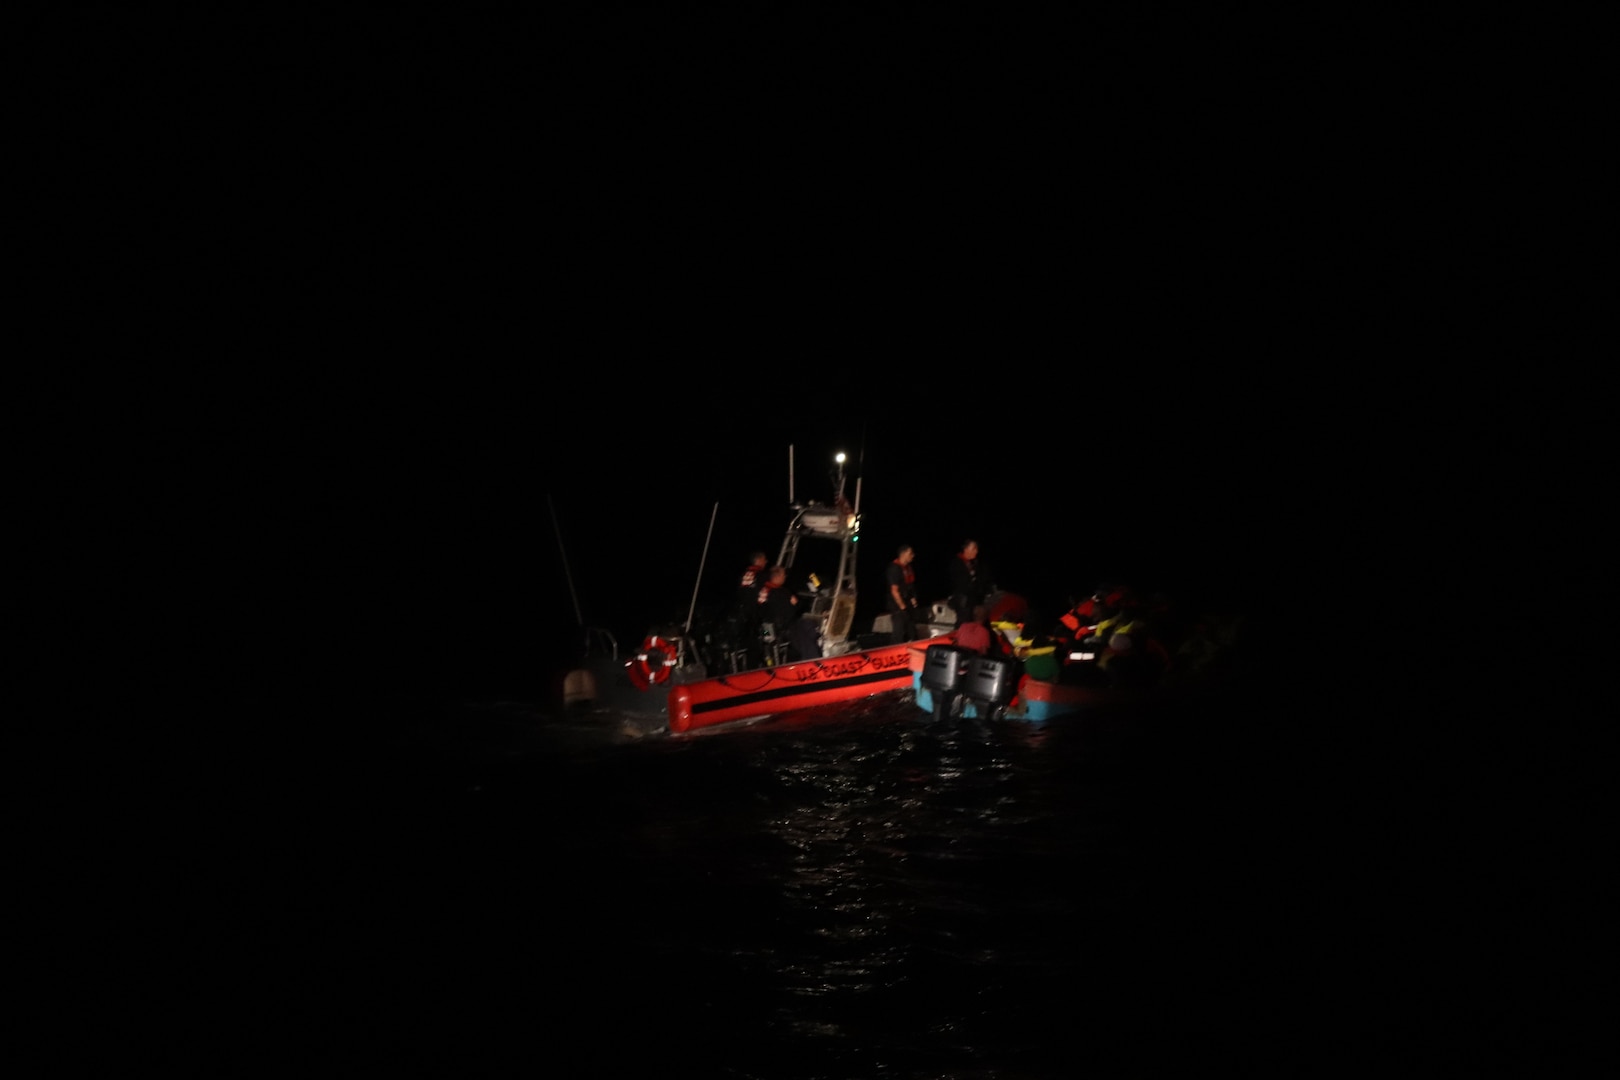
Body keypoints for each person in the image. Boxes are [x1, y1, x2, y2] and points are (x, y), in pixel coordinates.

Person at [757, 565, 799, 664]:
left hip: (764, 628)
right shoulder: (782, 592)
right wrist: (795, 604)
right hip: (778, 629)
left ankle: (768, 661)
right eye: (784, 575)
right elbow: (791, 610)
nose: (785, 577)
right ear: (778, 576)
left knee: (767, 640)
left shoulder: (763, 590)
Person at [947, 538, 991, 627]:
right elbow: (960, 584)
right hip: (963, 602)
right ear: (966, 549)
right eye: (974, 548)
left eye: (977, 549)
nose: (976, 551)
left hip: (974, 601)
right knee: (963, 624)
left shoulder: (975, 563)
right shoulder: (957, 563)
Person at [885, 544, 921, 643]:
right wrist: (903, 608)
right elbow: (894, 591)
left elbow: (909, 585)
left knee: (912, 629)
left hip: (907, 601)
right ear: (904, 554)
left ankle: (915, 644)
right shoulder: (894, 569)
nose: (913, 555)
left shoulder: (908, 568)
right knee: (899, 631)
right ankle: (894, 651)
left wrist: (913, 600)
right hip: (898, 605)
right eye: (910, 553)